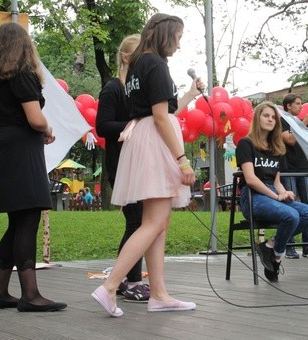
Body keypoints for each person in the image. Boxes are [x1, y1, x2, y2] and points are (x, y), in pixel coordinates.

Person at [91, 13, 203, 317]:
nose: (179, 45)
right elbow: (161, 116)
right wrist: (181, 160)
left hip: (144, 139)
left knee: (158, 223)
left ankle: (159, 293)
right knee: (153, 222)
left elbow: (164, 109)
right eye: (177, 38)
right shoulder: (155, 64)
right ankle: (110, 286)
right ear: (164, 34)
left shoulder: (140, 64)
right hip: (155, 142)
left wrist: (191, 94)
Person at [0, 23, 66, 312]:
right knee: (28, 217)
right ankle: (30, 294)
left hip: (1, 146)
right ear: (24, 47)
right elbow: (35, 118)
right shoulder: (21, 75)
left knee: (16, 221)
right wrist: (48, 127)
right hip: (21, 149)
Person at [235, 101, 308, 283]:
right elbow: (250, 179)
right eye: (266, 115)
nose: (270, 120)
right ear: (257, 118)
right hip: (253, 196)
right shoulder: (246, 144)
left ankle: (271, 247)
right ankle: (277, 258)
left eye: (273, 117)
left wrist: (285, 193)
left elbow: (277, 181)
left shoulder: (276, 147)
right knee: (291, 216)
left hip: (272, 193)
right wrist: (276, 196)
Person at [96, 34, 150, 303]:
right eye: (139, 52)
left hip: (138, 164)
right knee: (136, 221)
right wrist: (130, 126)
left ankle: (124, 282)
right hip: (121, 165)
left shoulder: (135, 90)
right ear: (126, 57)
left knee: (139, 221)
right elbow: (102, 125)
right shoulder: (113, 88)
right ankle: (128, 282)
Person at [280, 93, 308, 259]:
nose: (300, 106)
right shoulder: (282, 120)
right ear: (288, 106)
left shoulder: (301, 123)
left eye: (301, 103)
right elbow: (289, 140)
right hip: (289, 169)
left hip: (304, 167)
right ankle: (289, 245)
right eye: (297, 103)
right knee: (291, 206)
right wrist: (304, 124)